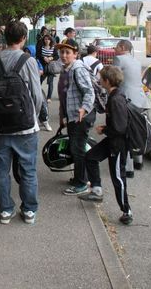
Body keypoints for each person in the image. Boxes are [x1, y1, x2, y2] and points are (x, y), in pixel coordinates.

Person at [0, 21, 42, 225]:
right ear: (24, 38)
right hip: (26, 127)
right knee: (28, 169)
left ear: (5, 38)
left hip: (2, 127)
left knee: (1, 170)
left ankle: (5, 210)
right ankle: (28, 210)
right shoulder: (28, 61)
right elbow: (37, 95)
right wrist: (31, 117)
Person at [79, 66, 133, 225]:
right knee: (90, 157)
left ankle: (127, 211)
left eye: (101, 78)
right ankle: (96, 190)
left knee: (118, 177)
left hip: (118, 144)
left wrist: (105, 130)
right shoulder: (114, 95)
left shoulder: (116, 99)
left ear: (107, 81)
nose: (99, 80)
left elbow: (120, 127)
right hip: (112, 141)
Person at [56, 39, 100, 198]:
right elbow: (64, 96)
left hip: (82, 116)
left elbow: (89, 92)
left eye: (68, 52)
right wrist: (63, 116)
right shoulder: (66, 69)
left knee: (78, 149)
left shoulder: (77, 69)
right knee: (75, 148)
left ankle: (82, 183)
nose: (64, 55)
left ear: (76, 54)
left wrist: (84, 108)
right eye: (62, 52)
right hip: (73, 116)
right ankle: (79, 178)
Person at [113, 39, 147, 175]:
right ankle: (139, 160)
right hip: (140, 99)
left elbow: (114, 78)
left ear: (122, 47)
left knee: (126, 133)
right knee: (138, 129)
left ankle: (128, 167)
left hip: (127, 99)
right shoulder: (136, 61)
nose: (115, 49)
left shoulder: (119, 59)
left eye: (116, 47)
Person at [36, 34, 57, 101]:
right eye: (45, 39)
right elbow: (38, 55)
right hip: (43, 67)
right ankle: (38, 94)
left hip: (51, 67)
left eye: (48, 39)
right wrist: (43, 58)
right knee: (40, 81)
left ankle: (49, 97)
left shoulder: (53, 47)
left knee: (50, 82)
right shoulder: (41, 47)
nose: (47, 40)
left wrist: (51, 58)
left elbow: (57, 56)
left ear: (50, 40)